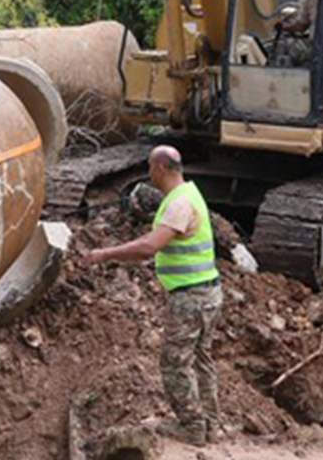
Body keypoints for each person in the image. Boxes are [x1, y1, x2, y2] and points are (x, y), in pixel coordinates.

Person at [77, 146, 222, 446]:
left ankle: (193, 427)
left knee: (175, 364)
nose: (149, 173)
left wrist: (104, 254)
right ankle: (210, 424)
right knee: (201, 360)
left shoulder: (179, 204)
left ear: (160, 168)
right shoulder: (190, 194)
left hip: (191, 297)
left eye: (150, 167)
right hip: (207, 291)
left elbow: (149, 246)